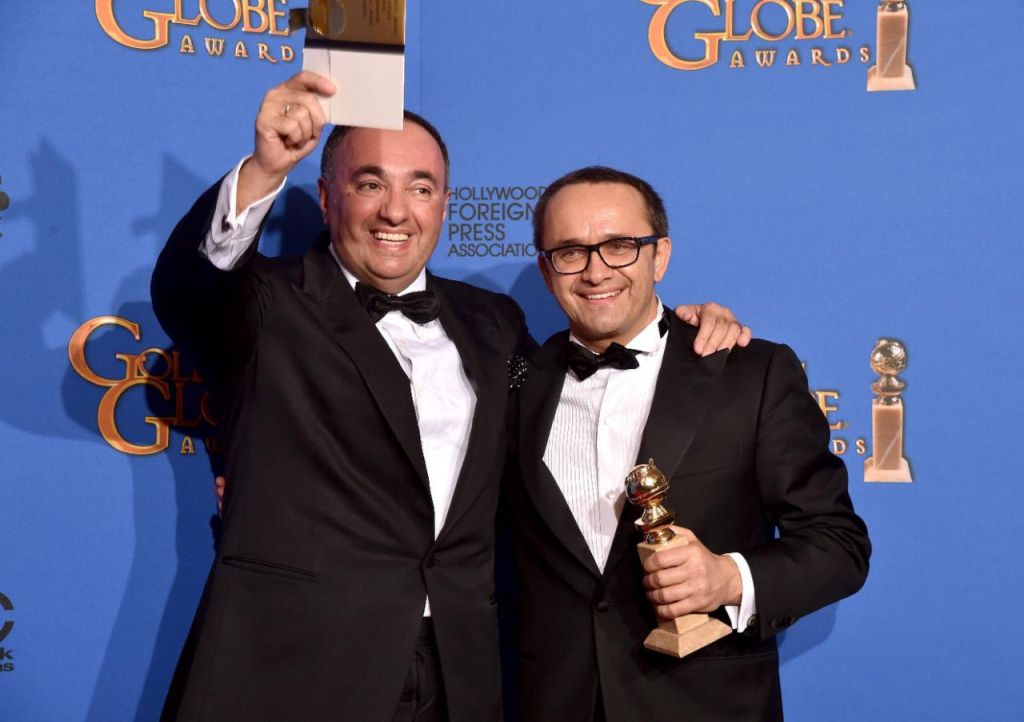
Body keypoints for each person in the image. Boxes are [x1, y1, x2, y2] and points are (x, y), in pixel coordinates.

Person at [151, 72, 748, 722]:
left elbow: (579, 392)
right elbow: (189, 289)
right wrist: (266, 169)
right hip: (292, 666)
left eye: (421, 188)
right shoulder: (268, 302)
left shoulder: (492, 323)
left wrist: (671, 329)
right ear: (326, 197)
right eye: (369, 183)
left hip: (461, 673)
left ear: (444, 203)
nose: (396, 210)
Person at [504, 166, 871, 722]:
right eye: (571, 252)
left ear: (660, 256)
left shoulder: (753, 373)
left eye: (620, 246)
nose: (596, 270)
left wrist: (729, 577)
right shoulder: (513, 381)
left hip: (708, 704)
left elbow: (839, 545)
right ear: (547, 269)